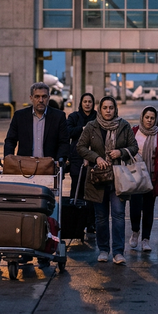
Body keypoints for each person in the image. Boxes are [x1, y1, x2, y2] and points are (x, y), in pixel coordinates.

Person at [76, 96, 138, 265]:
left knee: (118, 216)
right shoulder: (91, 126)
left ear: (115, 109)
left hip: (119, 177)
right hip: (98, 178)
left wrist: (121, 152)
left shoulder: (124, 125)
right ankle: (103, 249)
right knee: (101, 217)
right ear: (100, 109)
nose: (108, 111)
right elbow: (80, 147)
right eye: (105, 108)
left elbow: (134, 147)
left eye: (111, 108)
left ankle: (118, 252)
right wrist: (96, 158)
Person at [129, 106, 158, 252]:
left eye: (152, 118)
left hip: (152, 178)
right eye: (147, 117)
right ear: (142, 117)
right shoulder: (134, 132)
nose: (149, 120)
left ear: (156, 119)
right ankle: (135, 232)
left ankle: (145, 239)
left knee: (148, 210)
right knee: (135, 209)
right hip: (135, 178)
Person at [3, 81, 69, 161]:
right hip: (25, 166)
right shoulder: (20, 116)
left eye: (44, 97)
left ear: (48, 98)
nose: (41, 100)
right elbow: (10, 140)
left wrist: (60, 159)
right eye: (37, 97)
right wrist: (8, 158)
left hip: (50, 166)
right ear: (31, 98)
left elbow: (64, 142)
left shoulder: (59, 117)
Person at [66, 92, 97, 234]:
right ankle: (75, 224)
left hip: (94, 157)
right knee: (76, 189)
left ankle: (91, 223)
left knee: (92, 191)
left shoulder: (98, 116)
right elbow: (68, 132)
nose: (87, 104)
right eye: (85, 101)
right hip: (77, 158)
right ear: (81, 103)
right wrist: (83, 129)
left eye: (90, 101)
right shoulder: (74, 116)